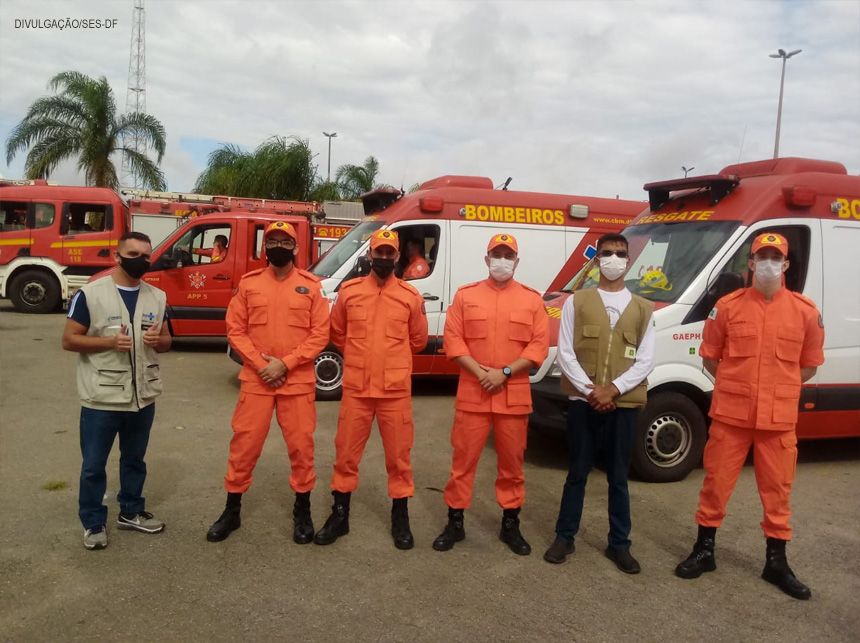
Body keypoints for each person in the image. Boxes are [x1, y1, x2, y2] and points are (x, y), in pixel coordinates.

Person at [675, 232, 824, 600]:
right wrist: (736, 385)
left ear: (786, 264)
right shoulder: (727, 307)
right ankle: (704, 551)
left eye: (777, 257)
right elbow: (710, 357)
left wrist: (777, 388)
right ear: (751, 263)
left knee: (778, 492)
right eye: (762, 256)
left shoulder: (805, 312)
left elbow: (808, 367)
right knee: (715, 485)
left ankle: (776, 562)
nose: (769, 263)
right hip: (731, 416)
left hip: (778, 421)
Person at [206, 221, 330, 544]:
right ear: (265, 247)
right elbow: (235, 329)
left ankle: (302, 511)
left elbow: (320, 334)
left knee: (302, 449)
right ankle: (231, 511)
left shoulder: (311, 287)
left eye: (284, 241)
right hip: (258, 380)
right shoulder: (249, 285)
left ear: (296, 248)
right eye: (272, 240)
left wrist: (285, 364)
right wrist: (263, 364)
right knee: (244, 446)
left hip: (297, 381)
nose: (278, 245)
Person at [543, 233, 655, 573]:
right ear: (596, 260)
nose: (613, 259)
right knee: (577, 472)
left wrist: (614, 390)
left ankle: (619, 544)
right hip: (583, 402)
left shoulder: (643, 308)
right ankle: (565, 536)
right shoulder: (576, 302)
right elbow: (566, 352)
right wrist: (592, 391)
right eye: (606, 253)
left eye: (620, 254)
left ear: (628, 261)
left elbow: (645, 360)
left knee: (618, 476)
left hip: (621, 405)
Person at [432, 233, 548, 555]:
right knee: (463, 462)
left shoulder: (531, 299)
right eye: (496, 254)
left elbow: (538, 345)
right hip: (475, 390)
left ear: (516, 261)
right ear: (486, 260)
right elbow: (453, 340)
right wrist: (480, 372)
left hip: (513, 393)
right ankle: (454, 522)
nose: (502, 260)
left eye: (507, 255)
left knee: (512, 465)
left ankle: (510, 525)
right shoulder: (466, 296)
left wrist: (505, 372)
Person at [314, 229, 428, 550]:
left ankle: (400, 518)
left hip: (394, 392)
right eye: (378, 252)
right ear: (370, 254)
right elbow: (337, 332)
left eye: (389, 253)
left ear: (396, 257)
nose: (383, 258)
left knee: (399, 458)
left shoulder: (409, 297)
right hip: (357, 390)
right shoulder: (349, 293)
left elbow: (418, 341)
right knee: (346, 455)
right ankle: (340, 515)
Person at [61, 231, 171, 550]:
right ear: (117, 256)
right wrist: (108, 342)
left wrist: (159, 341)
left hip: (142, 396)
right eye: (134, 254)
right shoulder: (91, 294)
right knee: (94, 463)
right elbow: (69, 339)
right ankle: (93, 522)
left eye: (146, 255)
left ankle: (131, 512)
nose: (141, 260)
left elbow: (166, 342)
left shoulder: (157, 296)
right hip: (102, 397)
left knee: (134, 459)